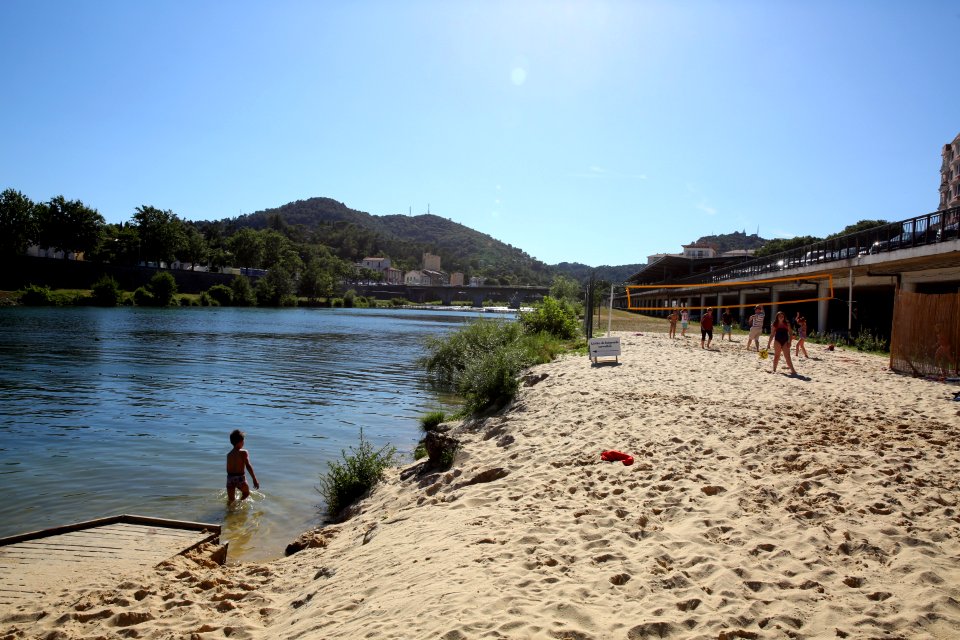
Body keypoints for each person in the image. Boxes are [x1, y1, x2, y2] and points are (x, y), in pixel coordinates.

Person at [227, 429, 259, 503]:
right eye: (243, 441)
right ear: (240, 442)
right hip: (240, 478)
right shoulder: (244, 452)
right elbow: (248, 466)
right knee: (246, 493)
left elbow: (228, 470)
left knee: (231, 500)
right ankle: (239, 505)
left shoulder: (229, 455)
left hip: (230, 478)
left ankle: (230, 512)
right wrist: (254, 479)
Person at [766, 311, 798, 375]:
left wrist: (790, 342)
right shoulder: (775, 324)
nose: (781, 317)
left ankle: (793, 370)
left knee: (787, 357)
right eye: (779, 316)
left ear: (784, 317)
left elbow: (790, 333)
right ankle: (774, 369)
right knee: (776, 356)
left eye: (782, 316)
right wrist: (768, 344)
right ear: (777, 317)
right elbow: (772, 334)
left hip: (785, 341)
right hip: (777, 341)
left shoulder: (787, 323)